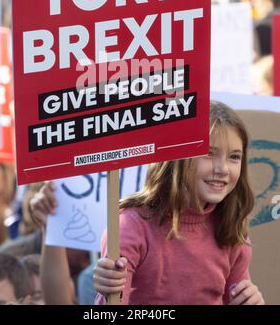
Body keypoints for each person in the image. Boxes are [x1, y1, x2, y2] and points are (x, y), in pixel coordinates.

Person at [93, 101, 265, 305]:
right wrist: (109, 291)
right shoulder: (131, 225)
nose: (223, 169)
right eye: (209, 153)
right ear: (176, 155)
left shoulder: (231, 228)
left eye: (234, 157)